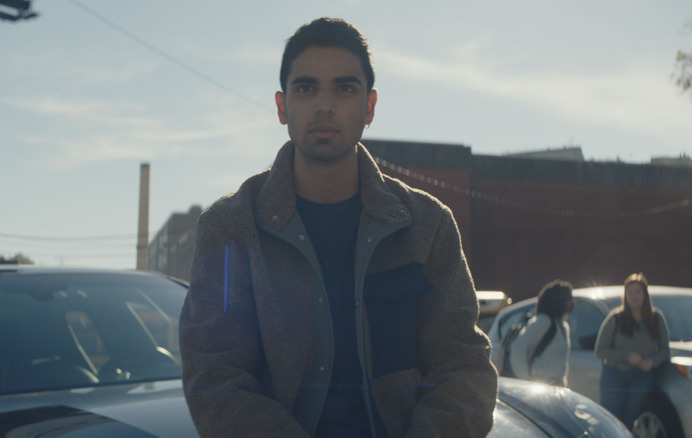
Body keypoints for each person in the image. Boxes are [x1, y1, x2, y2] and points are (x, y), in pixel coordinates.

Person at [177, 17, 497, 438]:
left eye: (344, 88)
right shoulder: (231, 229)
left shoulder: (427, 225)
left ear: (369, 106)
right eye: (306, 88)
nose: (324, 105)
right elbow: (215, 378)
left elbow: (463, 368)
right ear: (281, 106)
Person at [594, 273, 670, 429]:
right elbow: (600, 350)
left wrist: (652, 361)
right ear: (625, 295)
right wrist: (627, 357)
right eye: (630, 292)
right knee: (611, 420)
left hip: (642, 376)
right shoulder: (616, 318)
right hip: (615, 375)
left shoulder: (656, 318)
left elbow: (664, 350)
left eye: (638, 292)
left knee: (630, 419)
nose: (634, 296)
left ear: (645, 294)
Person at [507, 280, 574, 386]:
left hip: (556, 387)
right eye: (568, 299)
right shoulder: (543, 322)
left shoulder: (563, 326)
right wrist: (525, 379)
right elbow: (518, 347)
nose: (571, 303)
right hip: (540, 387)